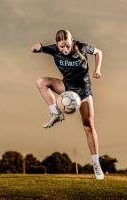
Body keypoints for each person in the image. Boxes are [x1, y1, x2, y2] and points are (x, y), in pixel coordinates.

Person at [31, 30, 104, 180]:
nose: (65, 49)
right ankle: (56, 113)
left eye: (68, 46)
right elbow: (34, 49)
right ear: (57, 44)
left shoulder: (82, 48)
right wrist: (36, 47)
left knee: (88, 126)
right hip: (66, 87)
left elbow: (99, 52)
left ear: (72, 42)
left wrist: (97, 69)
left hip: (83, 91)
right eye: (62, 47)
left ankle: (96, 164)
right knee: (40, 82)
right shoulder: (54, 49)